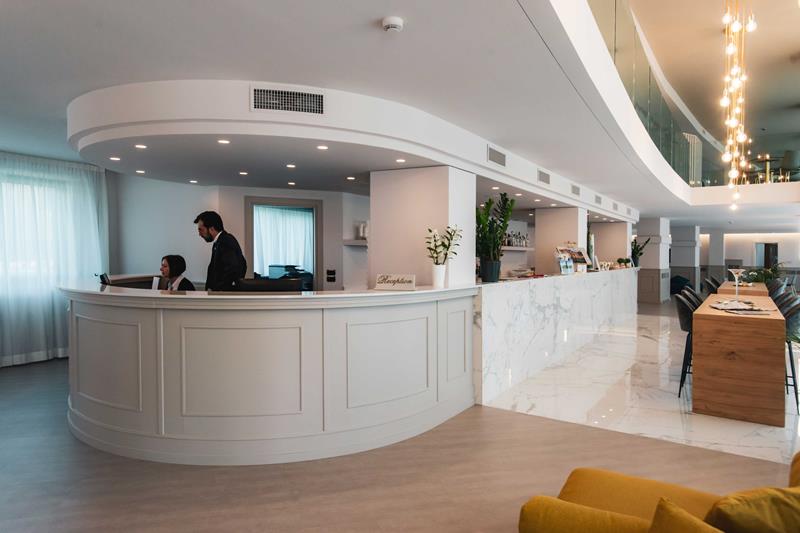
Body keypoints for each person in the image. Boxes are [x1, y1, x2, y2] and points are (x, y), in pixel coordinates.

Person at [194, 210, 247, 291]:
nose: (199, 234)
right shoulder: (219, 242)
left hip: (224, 295)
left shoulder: (226, 241)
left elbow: (233, 268)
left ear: (211, 229)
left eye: (201, 230)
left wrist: (220, 289)